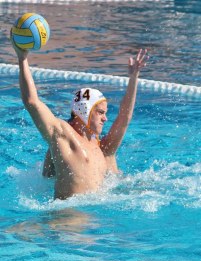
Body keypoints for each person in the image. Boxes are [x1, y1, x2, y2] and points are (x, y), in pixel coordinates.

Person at [11, 38, 148, 199]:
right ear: (85, 111)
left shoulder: (104, 149)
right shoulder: (64, 136)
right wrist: (22, 58)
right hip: (68, 216)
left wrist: (134, 78)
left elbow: (124, 117)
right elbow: (32, 102)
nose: (105, 119)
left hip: (98, 218)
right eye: (100, 112)